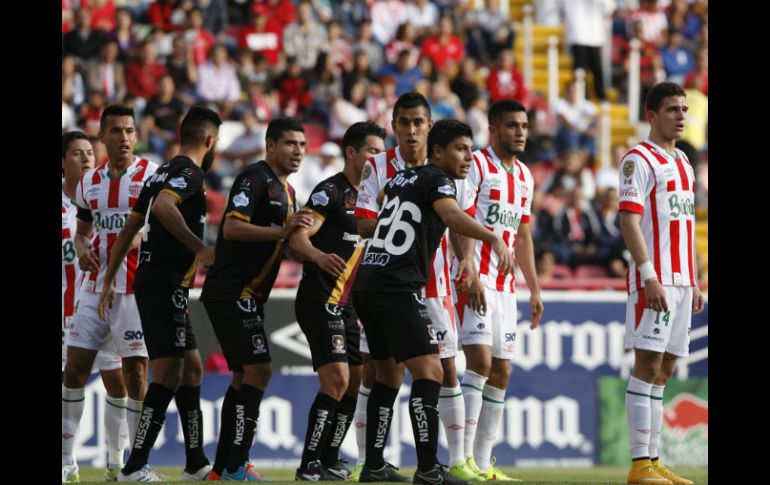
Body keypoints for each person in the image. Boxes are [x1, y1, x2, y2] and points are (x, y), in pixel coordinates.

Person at [353, 119, 512, 485]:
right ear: (437, 152)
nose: (468, 157)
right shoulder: (439, 181)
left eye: (471, 149)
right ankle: (428, 468)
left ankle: (374, 465)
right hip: (397, 286)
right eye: (460, 149)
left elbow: (385, 205)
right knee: (432, 372)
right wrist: (493, 239)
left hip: (369, 281)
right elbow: (453, 216)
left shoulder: (401, 179)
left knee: (389, 375)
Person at [98, 105, 223, 482]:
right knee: (167, 373)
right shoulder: (188, 172)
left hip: (162, 284)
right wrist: (200, 247)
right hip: (164, 285)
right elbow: (166, 208)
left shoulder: (163, 171)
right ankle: (134, 466)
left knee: (192, 368)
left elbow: (130, 227)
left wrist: (108, 280)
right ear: (210, 140)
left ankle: (196, 461)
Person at [199, 117, 315, 481]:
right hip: (233, 290)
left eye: (301, 144)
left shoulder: (290, 192)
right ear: (270, 146)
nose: (297, 151)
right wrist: (282, 230)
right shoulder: (255, 177)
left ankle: (222, 468)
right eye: (289, 144)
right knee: (260, 369)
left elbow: (287, 244)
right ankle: (236, 464)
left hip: (250, 294)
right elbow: (231, 227)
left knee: (242, 376)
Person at [62, 106, 158, 482]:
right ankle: (67, 462)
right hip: (91, 290)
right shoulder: (90, 184)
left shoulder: (152, 175)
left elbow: (161, 225)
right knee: (74, 371)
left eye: (129, 131)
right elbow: (83, 230)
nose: (124, 137)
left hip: (133, 290)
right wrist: (83, 246)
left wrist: (141, 236)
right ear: (103, 136)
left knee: (134, 376)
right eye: (116, 131)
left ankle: (133, 464)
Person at [450, 99, 544, 481]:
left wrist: (534, 288)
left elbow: (523, 235)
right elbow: (460, 219)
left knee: (501, 372)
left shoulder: (524, 175)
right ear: (493, 129)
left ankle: (484, 464)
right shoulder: (477, 166)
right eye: (511, 126)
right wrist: (468, 268)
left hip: (507, 287)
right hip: (478, 279)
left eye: (523, 126)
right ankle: (462, 462)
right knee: (480, 365)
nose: (520, 132)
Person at [288, 122, 386, 481]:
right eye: (372, 151)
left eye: (381, 152)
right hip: (320, 299)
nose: (378, 159)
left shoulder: (377, 198)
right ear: (351, 153)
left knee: (356, 381)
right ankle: (308, 463)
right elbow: (297, 238)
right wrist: (317, 257)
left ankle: (329, 458)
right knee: (336, 380)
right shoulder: (331, 191)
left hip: (349, 306)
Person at [617, 81, 704, 485]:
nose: (681, 116)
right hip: (655, 279)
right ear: (652, 115)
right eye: (672, 109)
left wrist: (697, 278)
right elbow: (629, 220)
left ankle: (653, 459)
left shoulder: (685, 162)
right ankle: (639, 465)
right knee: (647, 365)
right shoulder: (638, 158)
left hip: (684, 281)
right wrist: (648, 274)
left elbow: (686, 226)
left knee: (666, 370)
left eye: (684, 109)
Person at [61, 131, 128, 483]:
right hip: (63, 310)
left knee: (117, 381)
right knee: (68, 381)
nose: (86, 158)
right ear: (62, 161)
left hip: (100, 302)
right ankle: (67, 462)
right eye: (76, 153)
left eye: (90, 152)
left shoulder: (103, 196)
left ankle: (116, 464)